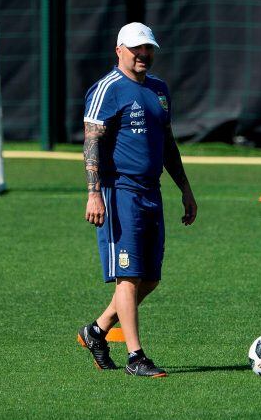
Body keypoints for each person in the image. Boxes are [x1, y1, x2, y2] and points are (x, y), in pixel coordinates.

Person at [77, 22, 197, 377]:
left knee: (151, 278)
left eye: (148, 49)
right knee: (127, 277)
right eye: (136, 49)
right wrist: (94, 193)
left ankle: (96, 331)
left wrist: (185, 189)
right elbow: (91, 143)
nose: (144, 55)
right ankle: (135, 357)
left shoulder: (159, 90)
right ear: (119, 50)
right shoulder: (106, 89)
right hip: (119, 194)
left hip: (151, 192)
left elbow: (168, 144)